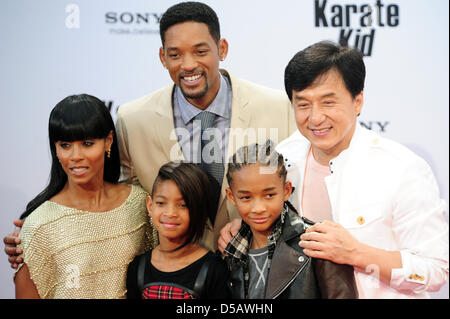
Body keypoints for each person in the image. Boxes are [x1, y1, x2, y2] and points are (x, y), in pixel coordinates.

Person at [4, 1, 295, 268]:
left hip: (261, 274)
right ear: (162, 57)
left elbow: (296, 191)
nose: (189, 64)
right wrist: (41, 235)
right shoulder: (134, 118)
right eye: (175, 54)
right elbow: (113, 201)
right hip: (174, 279)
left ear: (222, 49)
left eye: (200, 51)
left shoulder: (278, 107)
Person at [220, 41, 449, 299]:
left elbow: (435, 269)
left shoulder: (402, 168)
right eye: (303, 104)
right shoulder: (284, 158)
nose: (315, 118)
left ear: (358, 101)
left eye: (328, 103)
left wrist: (355, 253)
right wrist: (246, 228)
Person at [13, 94, 157, 298]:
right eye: (65, 145)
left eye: (87, 144)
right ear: (55, 148)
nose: (75, 156)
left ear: (108, 141)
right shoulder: (39, 225)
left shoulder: (140, 204)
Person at [223, 140, 357, 299]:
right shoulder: (232, 250)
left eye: (269, 195)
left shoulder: (319, 243)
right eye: (246, 197)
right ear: (231, 197)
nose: (258, 208)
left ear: (286, 190)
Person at [126, 162, 231, 299]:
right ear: (150, 206)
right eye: (161, 203)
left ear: (198, 210)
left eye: (182, 205)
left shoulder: (214, 270)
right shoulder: (138, 267)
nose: (170, 213)